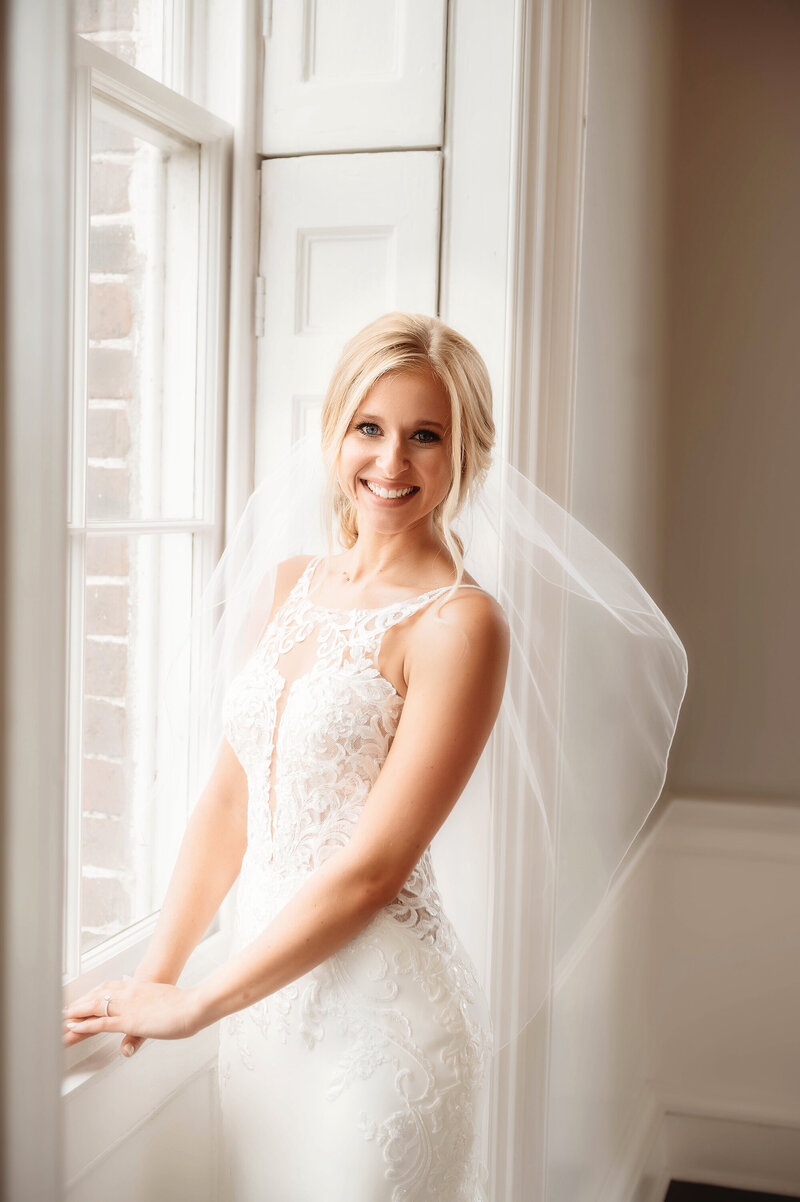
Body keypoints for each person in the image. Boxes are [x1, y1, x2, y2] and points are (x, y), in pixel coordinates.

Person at [64, 313, 513, 1200]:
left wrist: (197, 1002)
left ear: (466, 453)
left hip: (385, 1039)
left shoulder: (461, 625)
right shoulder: (293, 585)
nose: (391, 464)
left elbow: (373, 872)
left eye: (426, 436)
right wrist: (156, 975)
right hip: (265, 1024)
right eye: (370, 429)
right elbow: (230, 805)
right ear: (334, 431)